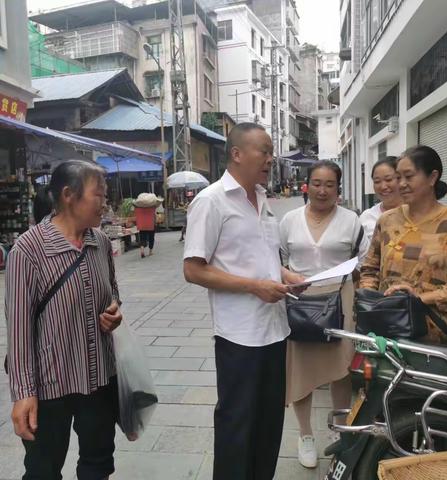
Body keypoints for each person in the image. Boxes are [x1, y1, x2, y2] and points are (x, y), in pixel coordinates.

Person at [183, 123, 304, 480]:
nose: (270, 158)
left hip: (275, 329)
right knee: (237, 424)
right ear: (237, 154)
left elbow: (263, 259)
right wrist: (254, 287)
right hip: (239, 336)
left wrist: (287, 276)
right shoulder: (212, 201)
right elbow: (193, 269)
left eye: (270, 151)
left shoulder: (264, 201)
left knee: (269, 423)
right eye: (263, 151)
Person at [5, 160, 122, 480]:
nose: (105, 203)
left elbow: (112, 292)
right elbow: (18, 330)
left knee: (98, 462)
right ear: (69, 195)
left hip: (98, 378)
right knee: (43, 469)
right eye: (99, 195)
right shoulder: (28, 251)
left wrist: (113, 312)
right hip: (49, 384)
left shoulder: (100, 242)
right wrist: (23, 393)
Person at [279, 160, 369, 469]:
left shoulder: (351, 221)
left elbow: (365, 263)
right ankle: (305, 435)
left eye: (329, 184)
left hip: (340, 303)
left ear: (338, 188)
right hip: (300, 304)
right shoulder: (289, 219)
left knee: (340, 370)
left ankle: (342, 434)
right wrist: (287, 277)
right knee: (301, 372)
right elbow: (278, 259)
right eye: (316, 183)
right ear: (307, 185)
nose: (322, 190)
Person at [360, 145, 447, 345]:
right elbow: (370, 270)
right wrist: (372, 302)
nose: (402, 184)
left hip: (438, 333)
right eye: (398, 177)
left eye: (409, 176)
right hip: (388, 330)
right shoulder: (387, 221)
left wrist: (419, 298)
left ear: (432, 178)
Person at [360, 156, 402, 244]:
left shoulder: (416, 213)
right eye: (377, 181)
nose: (383, 186)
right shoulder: (367, 216)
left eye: (388, 179)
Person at [134, 193, 158, 258]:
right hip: (150, 224)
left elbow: (136, 216)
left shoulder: (139, 208)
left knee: (142, 238)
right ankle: (150, 252)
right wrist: (155, 222)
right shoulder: (152, 207)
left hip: (142, 224)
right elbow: (155, 216)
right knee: (151, 238)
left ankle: (142, 250)